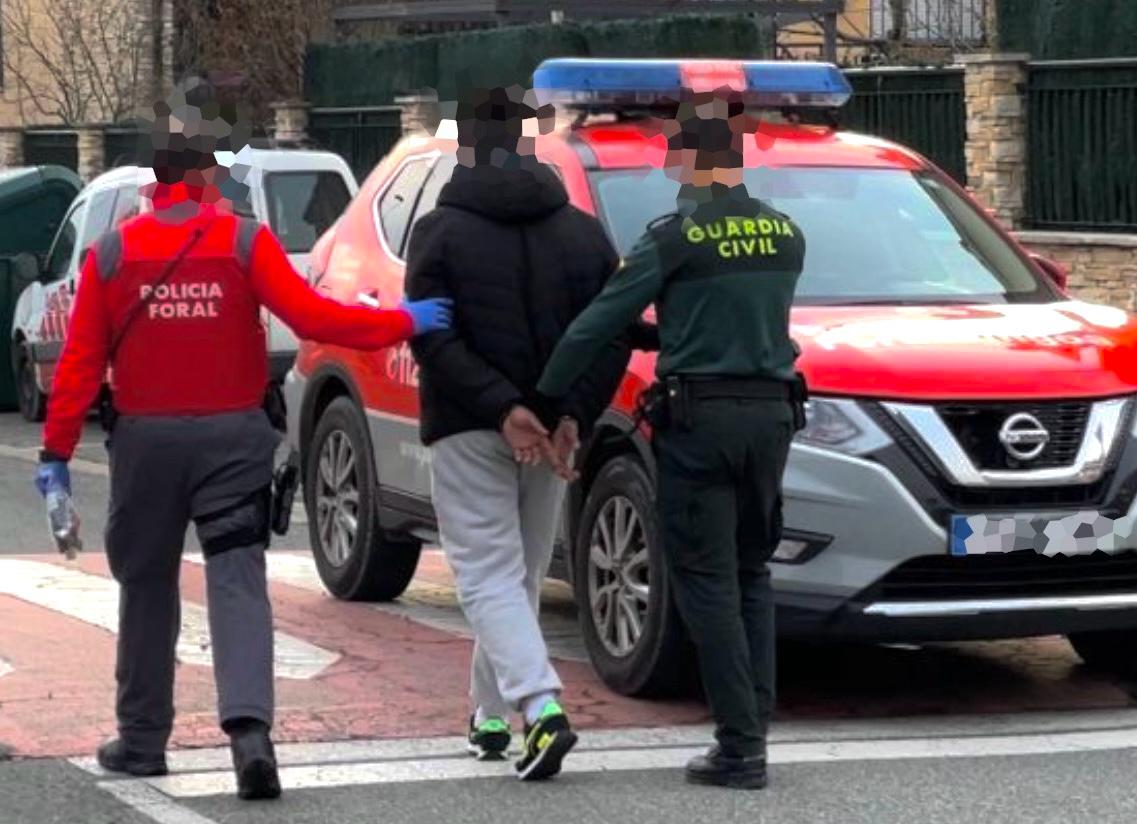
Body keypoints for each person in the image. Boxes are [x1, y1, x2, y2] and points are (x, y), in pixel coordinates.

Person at [33, 80, 451, 801]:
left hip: (146, 447)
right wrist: (405, 322)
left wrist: (55, 457)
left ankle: (140, 741)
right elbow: (316, 316)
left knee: (146, 589)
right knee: (235, 583)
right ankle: (250, 736)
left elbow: (77, 365)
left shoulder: (110, 254)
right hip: (232, 441)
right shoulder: (241, 242)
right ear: (199, 173)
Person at [537, 91, 807, 790]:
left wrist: (546, 400)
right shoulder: (785, 234)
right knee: (752, 571)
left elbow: (593, 327)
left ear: (693, 159)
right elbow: (732, 317)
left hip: (701, 424)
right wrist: (673, 332)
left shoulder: (673, 236)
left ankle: (738, 747)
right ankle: (757, 722)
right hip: (771, 418)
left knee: (706, 580)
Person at [404, 85, 633, 780]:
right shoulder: (581, 231)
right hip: (553, 427)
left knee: (486, 575)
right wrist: (570, 416)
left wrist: (503, 409)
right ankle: (490, 715)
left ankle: (538, 710)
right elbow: (611, 334)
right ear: (529, 144)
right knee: (520, 575)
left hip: (470, 424)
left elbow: (430, 338)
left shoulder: (438, 232)